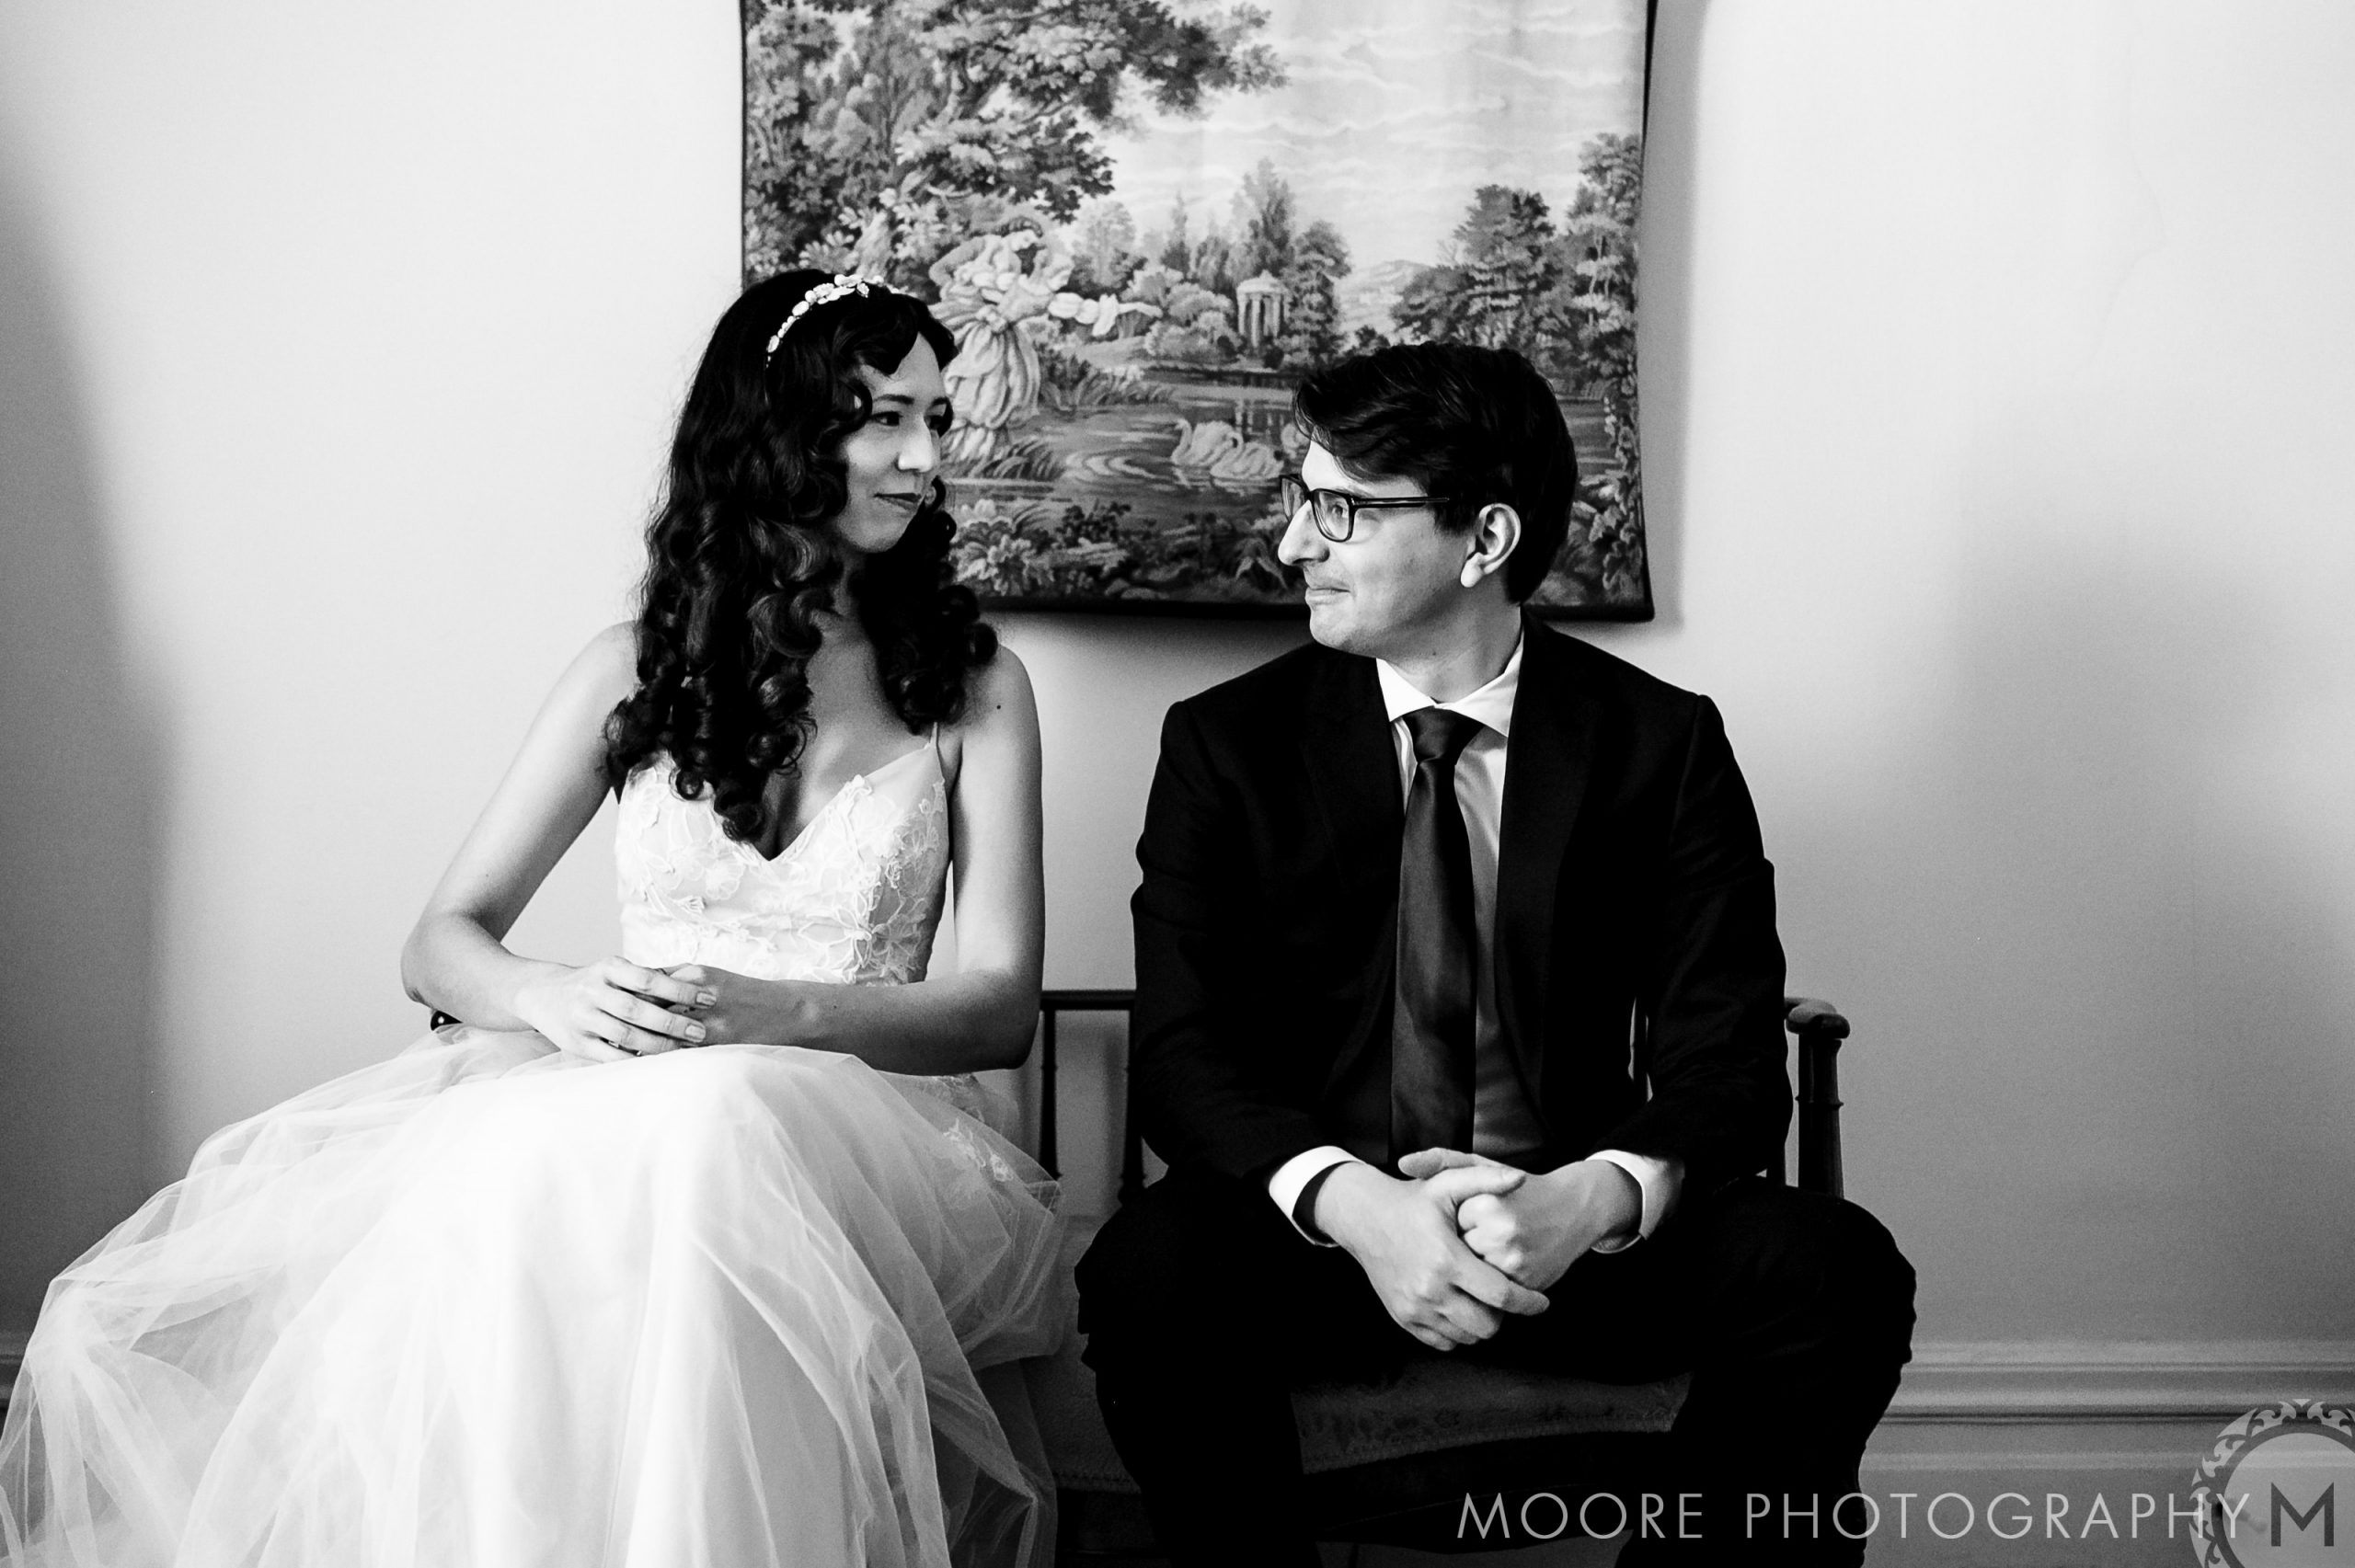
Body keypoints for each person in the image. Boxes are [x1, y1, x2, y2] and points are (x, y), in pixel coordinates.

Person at [0, 271, 1067, 1568]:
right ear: (779, 430)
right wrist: (553, 996)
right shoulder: (634, 667)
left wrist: (768, 1014)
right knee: (552, 1176)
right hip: (614, 1112)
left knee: (713, 1128)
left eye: (936, 420)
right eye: (881, 416)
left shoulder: (977, 685)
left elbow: (1003, 1002)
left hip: (867, 1141)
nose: (922, 455)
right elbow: (441, 936)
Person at [1076, 343, 1917, 1565]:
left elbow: (1728, 1057)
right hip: (1321, 1249)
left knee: (1836, 1270)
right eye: (1302, 501)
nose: (1294, 543)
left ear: (1484, 540)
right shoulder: (1227, 745)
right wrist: (1358, 1205)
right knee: (1150, 1273)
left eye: (1342, 508)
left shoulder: (1658, 746)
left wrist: (1590, 1198)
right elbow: (1183, 1055)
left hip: (1570, 1240)